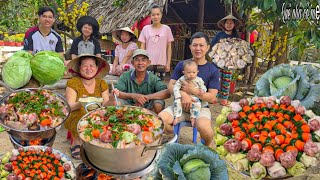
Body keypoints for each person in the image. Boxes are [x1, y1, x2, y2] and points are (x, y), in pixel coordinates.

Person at [158, 32, 220, 146]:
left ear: (207, 47)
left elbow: (211, 97)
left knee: (207, 131)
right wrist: (183, 94)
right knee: (159, 121)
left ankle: (203, 148)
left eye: (201, 45)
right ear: (190, 47)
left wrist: (194, 91)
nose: (198, 48)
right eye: (195, 45)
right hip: (179, 105)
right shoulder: (182, 65)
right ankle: (173, 134)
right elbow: (171, 85)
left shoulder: (213, 70)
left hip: (200, 107)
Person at [65, 54, 110, 159]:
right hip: (77, 114)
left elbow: (106, 105)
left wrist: (112, 99)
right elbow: (69, 107)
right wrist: (81, 103)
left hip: (97, 114)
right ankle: (76, 141)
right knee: (82, 113)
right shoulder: (73, 83)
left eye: (92, 65)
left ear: (97, 68)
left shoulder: (101, 83)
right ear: (79, 68)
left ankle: (99, 140)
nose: (88, 68)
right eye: (85, 65)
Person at [113, 49, 170, 114]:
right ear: (132, 63)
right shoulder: (125, 76)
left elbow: (167, 93)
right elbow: (117, 92)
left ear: (148, 63)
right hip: (129, 105)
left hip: (148, 107)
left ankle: (151, 122)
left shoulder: (153, 78)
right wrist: (133, 96)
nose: (140, 63)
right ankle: (122, 122)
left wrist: (146, 97)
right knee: (116, 102)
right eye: (137, 60)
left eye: (143, 60)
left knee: (158, 104)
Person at [210, 14, 242, 106]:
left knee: (227, 80)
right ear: (224, 24)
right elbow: (213, 46)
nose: (229, 24)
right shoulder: (219, 35)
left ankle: (224, 99)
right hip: (217, 62)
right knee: (217, 79)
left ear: (234, 25)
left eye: (231, 23)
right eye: (227, 23)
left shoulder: (236, 36)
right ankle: (214, 96)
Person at [138, 4, 174, 80]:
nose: (156, 17)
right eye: (153, 14)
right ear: (150, 16)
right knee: (147, 85)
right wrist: (142, 61)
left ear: (161, 15)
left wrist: (168, 63)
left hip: (162, 63)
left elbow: (169, 47)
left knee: (160, 86)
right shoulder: (146, 29)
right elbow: (142, 47)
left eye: (158, 14)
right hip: (148, 63)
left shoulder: (166, 29)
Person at [173, 60, 207, 127]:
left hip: (194, 97)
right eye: (188, 72)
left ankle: (193, 117)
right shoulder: (181, 79)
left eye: (194, 72)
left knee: (197, 104)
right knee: (177, 103)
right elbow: (176, 87)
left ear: (197, 72)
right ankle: (177, 116)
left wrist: (202, 90)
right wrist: (178, 96)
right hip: (182, 97)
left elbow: (203, 86)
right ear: (184, 72)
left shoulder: (199, 80)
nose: (191, 74)